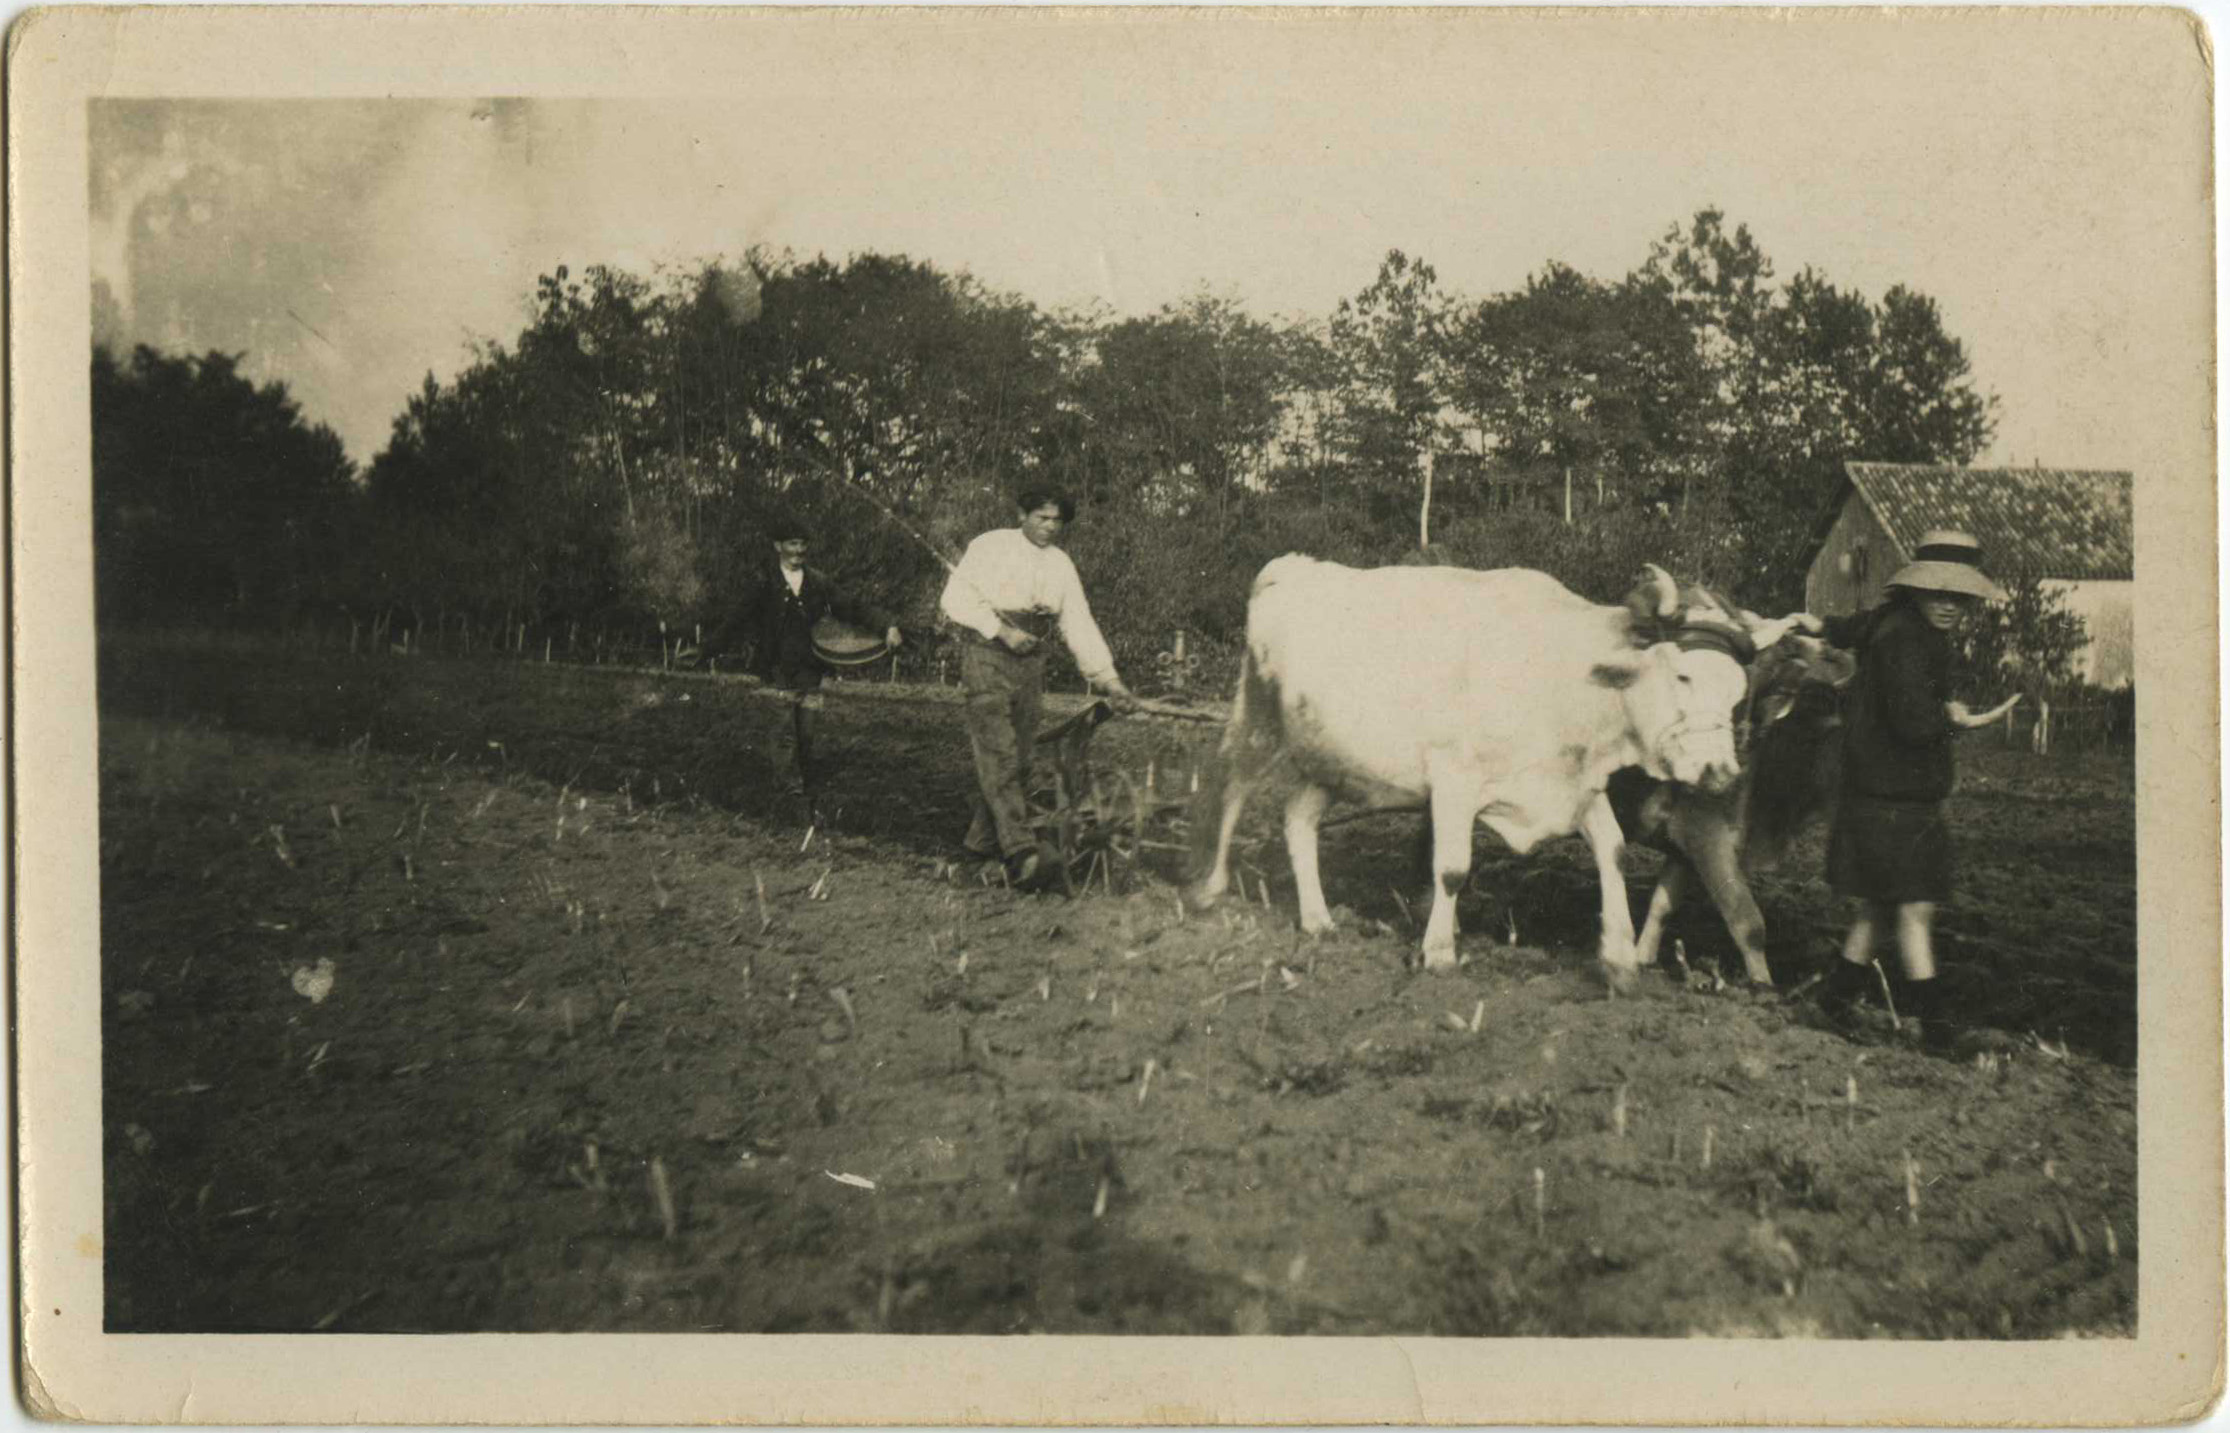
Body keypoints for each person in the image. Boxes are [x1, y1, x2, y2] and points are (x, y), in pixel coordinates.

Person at [1798, 529, 2020, 1051]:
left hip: (1879, 795)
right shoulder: (1906, 640)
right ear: (1916, 589)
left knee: (1878, 907)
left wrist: (1821, 623)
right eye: (1938, 594)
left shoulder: (1890, 623)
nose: (1949, 606)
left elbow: (1853, 626)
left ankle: (1831, 1004)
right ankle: (1938, 1033)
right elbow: (1913, 724)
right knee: (1914, 909)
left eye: (1958, 597)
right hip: (1894, 799)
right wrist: (1952, 719)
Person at [939, 484, 1137, 887]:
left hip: (1031, 664)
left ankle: (975, 853)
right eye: (1041, 517)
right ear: (1021, 515)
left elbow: (1078, 623)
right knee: (999, 755)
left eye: (1057, 521)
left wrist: (1109, 680)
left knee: (1022, 761)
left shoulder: (1061, 565)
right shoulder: (990, 547)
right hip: (986, 657)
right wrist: (1000, 632)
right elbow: (954, 598)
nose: (1049, 527)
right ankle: (1022, 852)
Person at [720, 518, 902, 799]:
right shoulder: (764, 582)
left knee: (806, 736)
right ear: (778, 546)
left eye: (803, 544)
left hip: (810, 672)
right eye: (792, 543)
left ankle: (803, 786)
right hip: (777, 670)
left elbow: (851, 607)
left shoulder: (818, 582)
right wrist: (705, 650)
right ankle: (789, 794)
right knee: (783, 734)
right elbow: (735, 620)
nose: (798, 550)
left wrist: (886, 625)